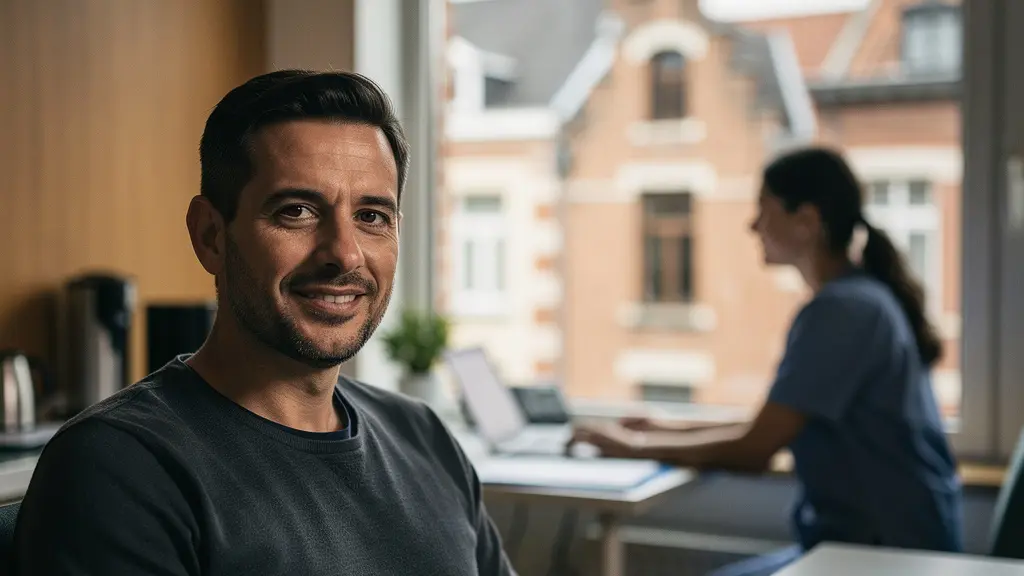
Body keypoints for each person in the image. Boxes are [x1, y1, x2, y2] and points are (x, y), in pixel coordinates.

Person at [13, 70, 515, 576]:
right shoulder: (118, 469)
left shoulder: (426, 438)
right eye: (296, 211)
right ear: (210, 236)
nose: (344, 254)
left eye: (372, 216)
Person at [569, 147, 964, 575]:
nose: (753, 224)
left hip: (886, 555)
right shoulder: (858, 300)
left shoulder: (842, 312)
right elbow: (770, 426)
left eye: (764, 209)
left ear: (807, 221)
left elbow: (756, 449)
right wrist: (665, 427)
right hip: (875, 543)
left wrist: (635, 447)